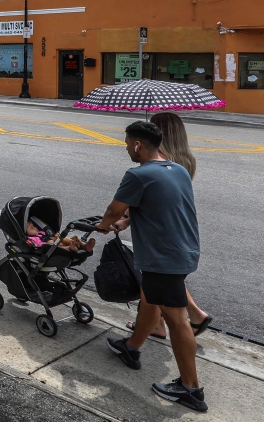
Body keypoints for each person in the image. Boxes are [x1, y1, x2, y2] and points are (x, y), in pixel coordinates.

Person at [96, 121, 207, 413]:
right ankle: (131, 348)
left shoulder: (138, 174)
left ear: (137, 145)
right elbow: (159, 203)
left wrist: (105, 225)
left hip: (162, 258)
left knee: (176, 320)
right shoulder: (177, 170)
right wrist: (127, 220)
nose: (126, 148)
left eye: (126, 143)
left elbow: (112, 210)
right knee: (150, 300)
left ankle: (191, 388)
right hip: (184, 251)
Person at [117, 112, 213, 339]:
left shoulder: (163, 162)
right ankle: (190, 317)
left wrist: (124, 217)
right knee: (166, 283)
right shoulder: (186, 160)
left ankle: (147, 335)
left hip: (159, 236)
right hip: (180, 234)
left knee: (154, 286)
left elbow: (150, 196)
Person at [25, 219, 95, 252]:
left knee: (63, 238)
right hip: (47, 249)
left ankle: (84, 246)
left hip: (55, 243)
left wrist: (55, 237)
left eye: (34, 226)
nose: (35, 228)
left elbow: (50, 236)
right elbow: (34, 246)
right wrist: (47, 244)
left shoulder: (41, 233)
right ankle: (70, 248)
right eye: (32, 228)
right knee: (57, 247)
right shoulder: (30, 239)